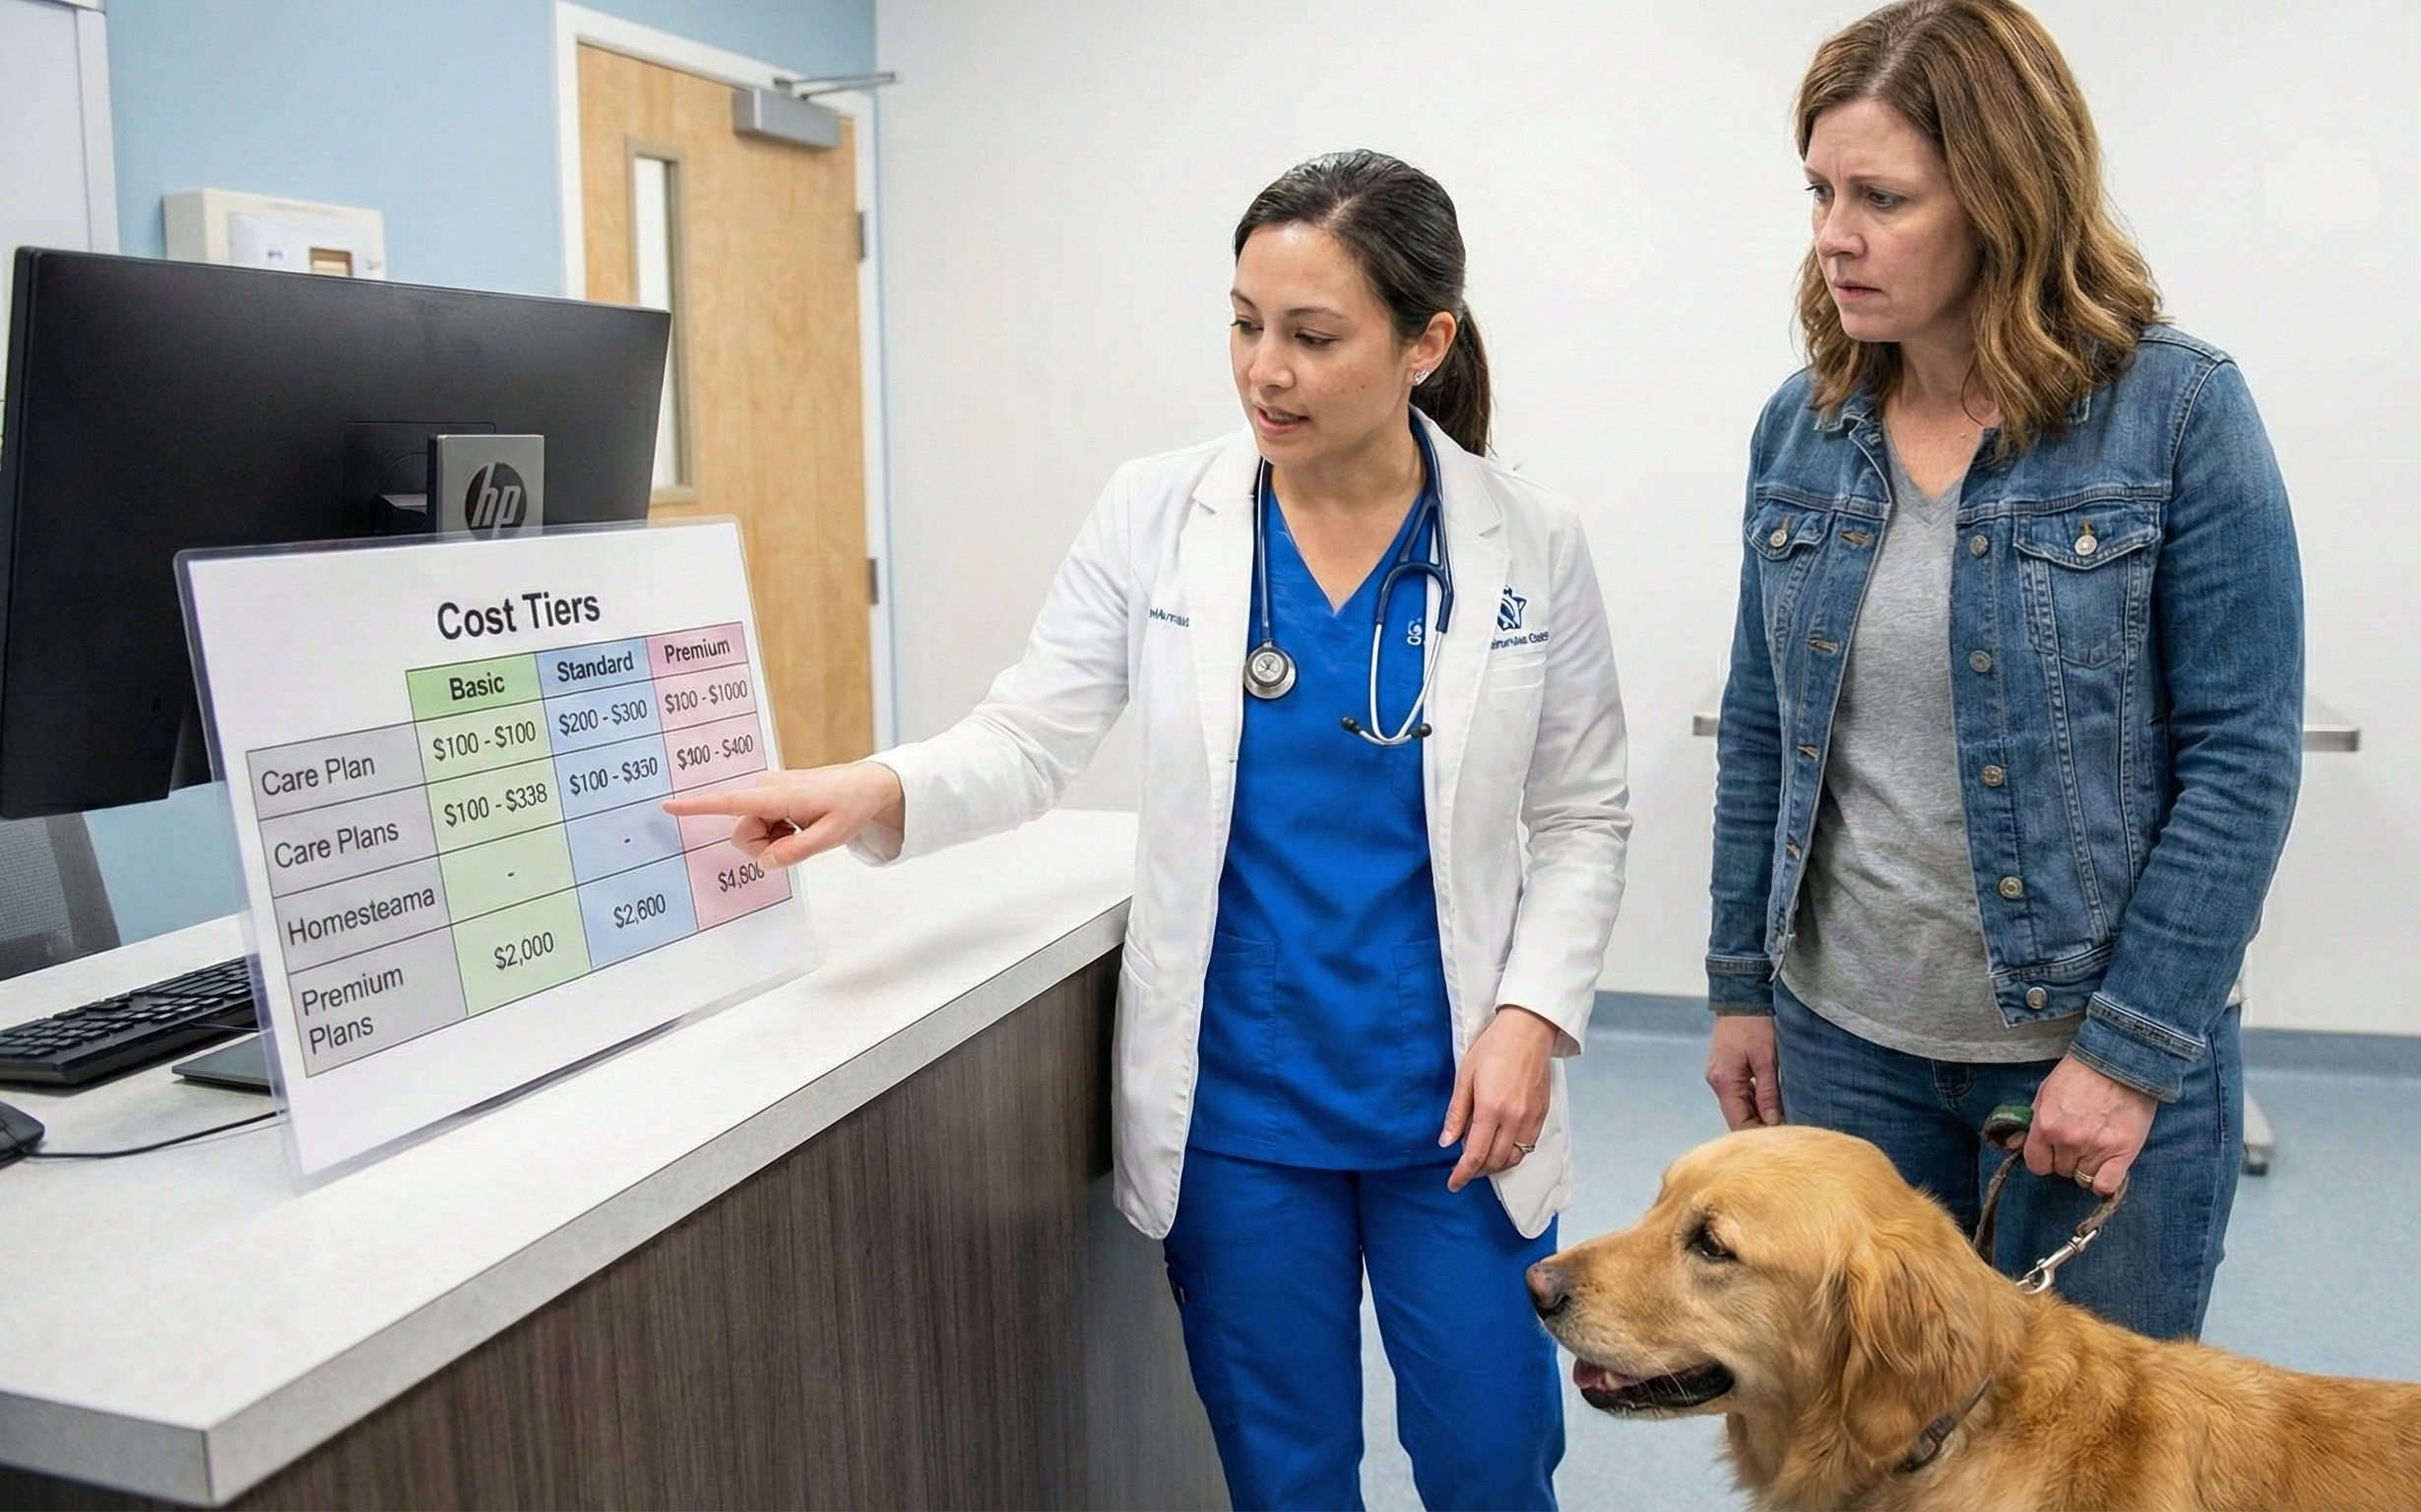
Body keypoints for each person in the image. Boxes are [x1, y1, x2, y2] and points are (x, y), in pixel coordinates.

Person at [667, 150, 1628, 1511]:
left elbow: (1584, 815)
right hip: (1242, 1100)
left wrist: (1533, 1018)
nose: (1263, 372)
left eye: (1311, 335)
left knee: (1489, 1460)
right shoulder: (1157, 515)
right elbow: (1029, 737)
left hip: (1461, 1103)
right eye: (1243, 323)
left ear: (1427, 342)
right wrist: (878, 787)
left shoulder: (1531, 542)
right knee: (1284, 1470)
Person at [1701, 0, 2303, 1342]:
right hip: (1846, 1040)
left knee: (2079, 1463)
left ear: (2003, 198)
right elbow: (1762, 730)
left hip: (2081, 1058)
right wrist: (1743, 987)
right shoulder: (1805, 430)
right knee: (1868, 1446)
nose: (1834, 234)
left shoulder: (2180, 414)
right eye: (1819, 191)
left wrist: (2128, 1056)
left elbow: (2241, 763)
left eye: (1883, 197)